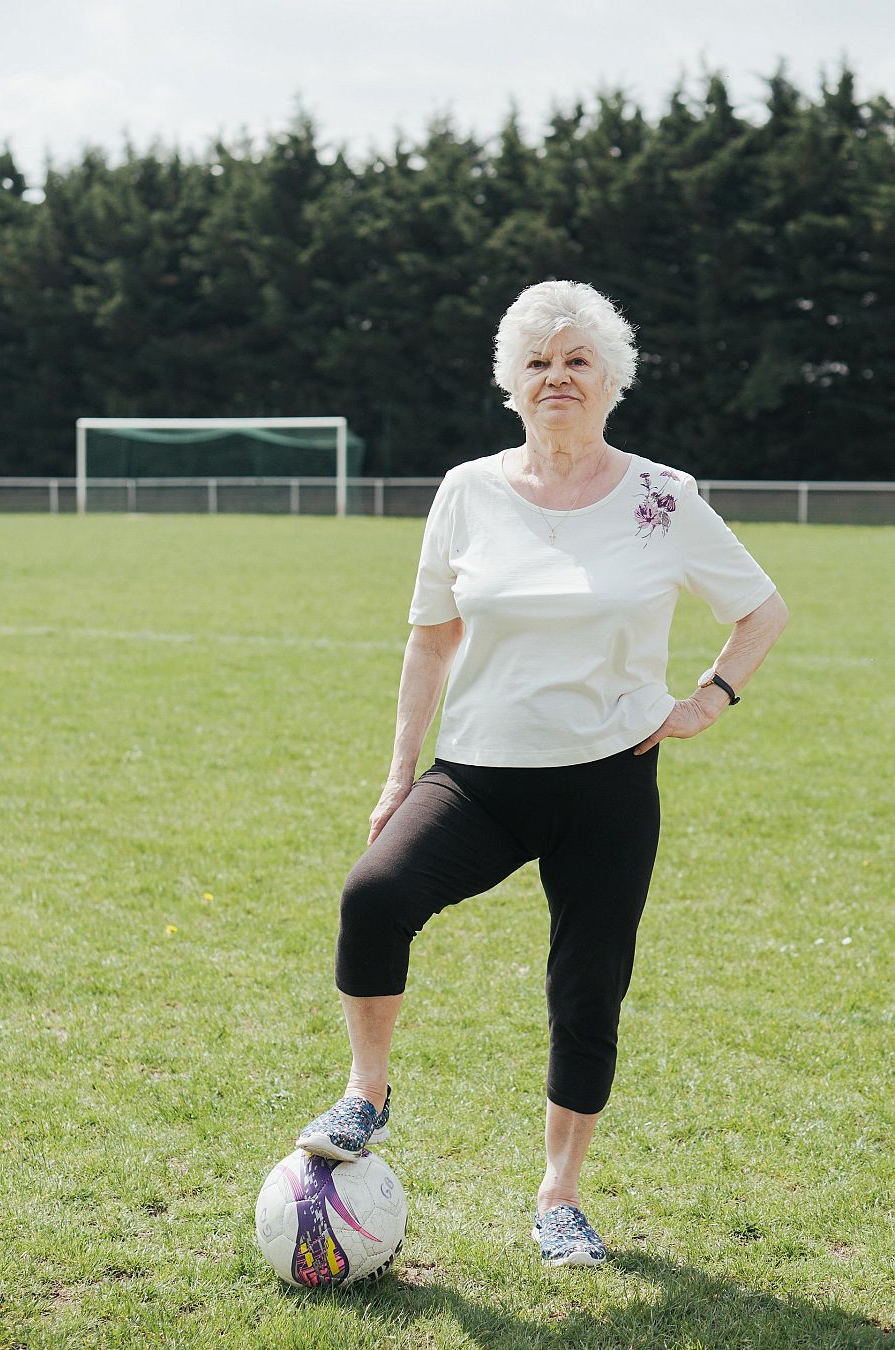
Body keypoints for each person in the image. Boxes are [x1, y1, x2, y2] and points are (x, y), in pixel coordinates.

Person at [296, 279, 789, 1267]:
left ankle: (559, 1198)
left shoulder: (663, 497)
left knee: (587, 988)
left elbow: (762, 610)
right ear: (509, 386)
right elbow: (430, 642)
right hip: (478, 777)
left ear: (612, 381)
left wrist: (707, 700)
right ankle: (367, 1092)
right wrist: (399, 778)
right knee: (373, 896)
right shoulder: (467, 490)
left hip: (607, 782)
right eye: (536, 363)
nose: (556, 377)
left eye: (576, 362)